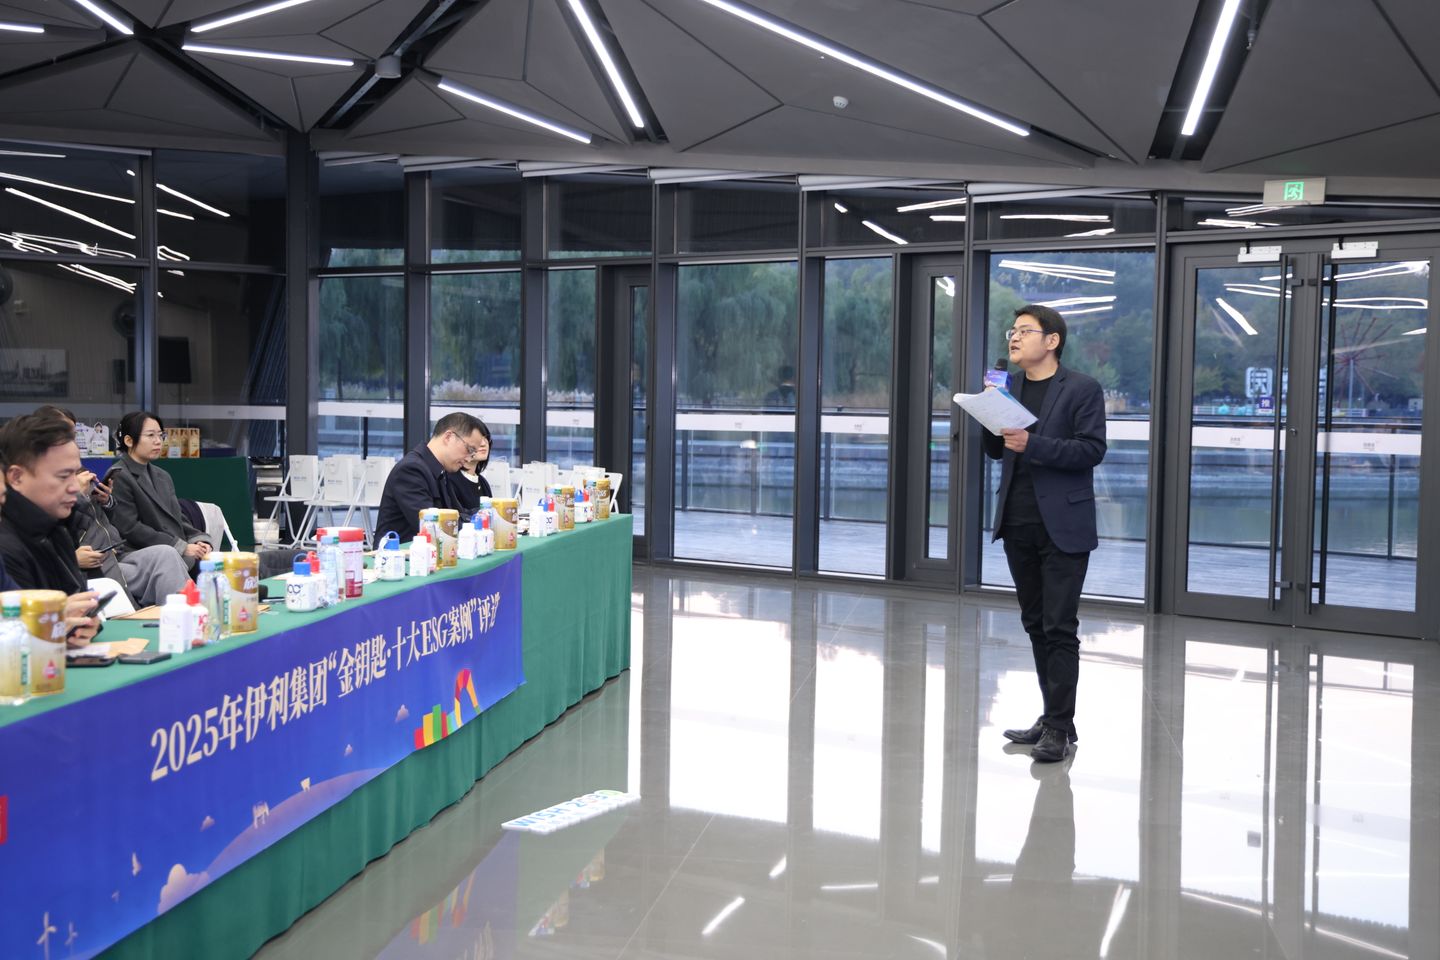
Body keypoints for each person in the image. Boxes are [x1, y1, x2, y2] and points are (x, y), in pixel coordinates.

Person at [981, 304, 1106, 763]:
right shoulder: (1008, 386)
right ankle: (1054, 719)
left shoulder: (1082, 389)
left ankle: (1058, 728)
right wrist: (989, 410)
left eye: (1025, 331)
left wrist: (1033, 444)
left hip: (1064, 526)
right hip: (1017, 521)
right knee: (1035, 624)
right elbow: (996, 450)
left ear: (1051, 341)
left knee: (1059, 627)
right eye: (1012, 331)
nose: (1014, 338)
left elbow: (1091, 450)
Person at [36, 407, 190, 607]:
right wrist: (72, 559)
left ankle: (182, 617)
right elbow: (48, 535)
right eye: (151, 435)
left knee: (166, 554)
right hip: (93, 564)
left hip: (115, 552)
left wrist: (105, 501)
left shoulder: (79, 471)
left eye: (73, 435)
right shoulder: (41, 484)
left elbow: (102, 519)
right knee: (169, 556)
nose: (158, 441)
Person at [0, 415, 107, 644]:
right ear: (16, 477)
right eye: (63, 476)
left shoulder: (57, 528)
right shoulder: (7, 546)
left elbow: (73, 606)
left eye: (75, 474)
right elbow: (12, 634)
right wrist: (52, 623)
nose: (74, 486)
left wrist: (82, 625)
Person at [105, 412, 213, 574]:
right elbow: (130, 528)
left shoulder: (162, 475)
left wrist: (199, 540)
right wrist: (181, 547)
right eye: (150, 435)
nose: (158, 441)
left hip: (174, 550)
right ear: (128, 440)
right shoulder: (119, 475)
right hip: (142, 554)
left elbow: (177, 517)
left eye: (160, 435)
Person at [376, 412, 490, 542]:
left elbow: (457, 513)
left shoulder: (440, 470)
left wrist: (489, 514)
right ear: (449, 437)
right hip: (400, 553)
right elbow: (431, 525)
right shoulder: (411, 470)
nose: (469, 458)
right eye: (469, 450)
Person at [451, 418, 494, 516]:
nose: (483, 444)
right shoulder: (450, 479)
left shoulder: (482, 482)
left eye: (486, 438)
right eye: (477, 440)